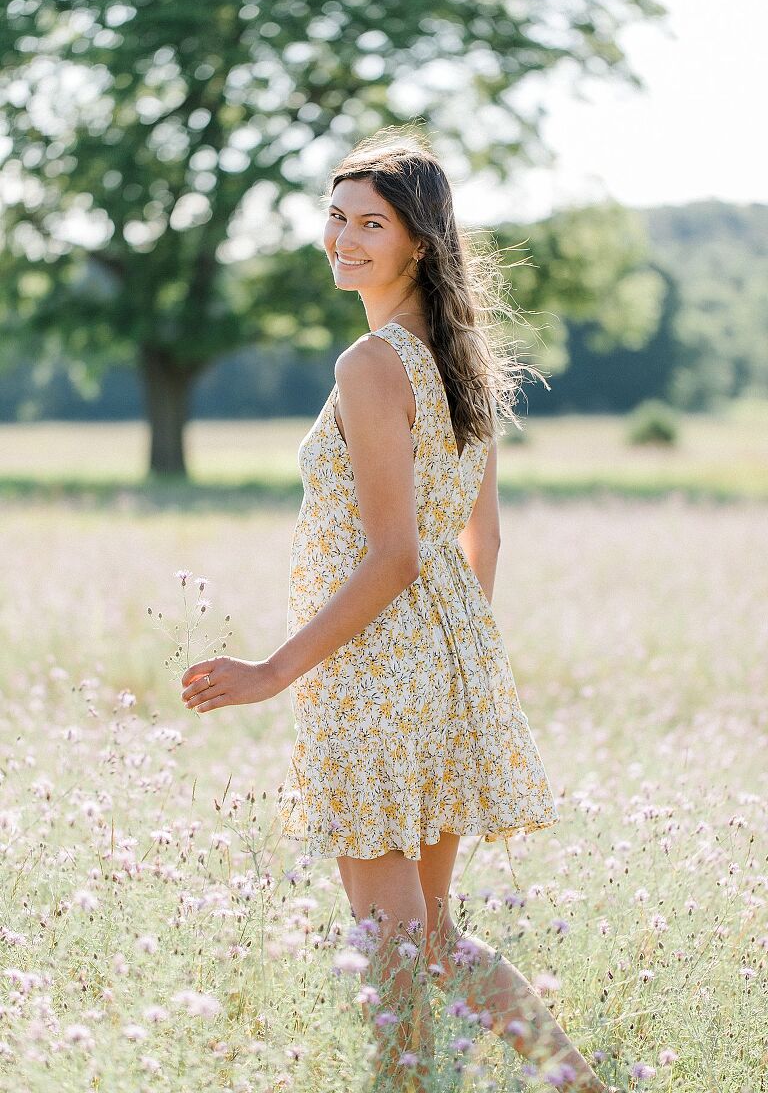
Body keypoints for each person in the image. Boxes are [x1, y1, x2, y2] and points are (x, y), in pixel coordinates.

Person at [181, 127, 616, 1093]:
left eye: (368, 223)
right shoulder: (464, 364)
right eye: (335, 217)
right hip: (451, 662)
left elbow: (394, 553)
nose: (342, 238)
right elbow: (481, 543)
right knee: (429, 936)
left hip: (373, 673)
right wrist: (453, 664)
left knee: (390, 943)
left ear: (418, 238)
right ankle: (578, 1084)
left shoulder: (373, 365)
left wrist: (271, 671)